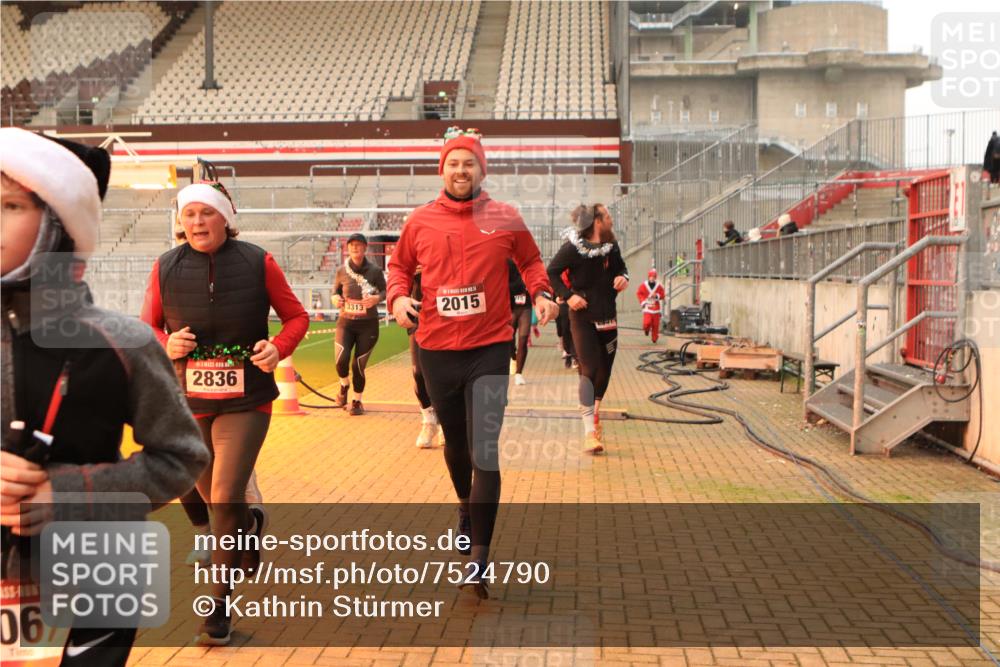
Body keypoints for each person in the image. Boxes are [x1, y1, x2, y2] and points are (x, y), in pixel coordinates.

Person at [0, 127, 208, 665]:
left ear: (59, 222)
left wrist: (67, 494)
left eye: (9, 204)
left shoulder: (125, 343)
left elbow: (181, 456)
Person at [387, 127, 557, 598]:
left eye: (469, 163)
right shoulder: (420, 221)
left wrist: (542, 293)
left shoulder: (505, 217)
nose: (461, 171)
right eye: (453, 163)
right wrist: (398, 298)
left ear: (483, 169)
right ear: (441, 169)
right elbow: (399, 268)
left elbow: (532, 262)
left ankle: (479, 557)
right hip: (437, 348)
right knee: (457, 447)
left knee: (485, 448)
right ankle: (464, 506)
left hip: (487, 347)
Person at [141, 180, 308, 645]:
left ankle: (218, 608)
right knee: (217, 503)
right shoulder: (164, 268)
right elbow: (148, 325)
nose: (197, 223)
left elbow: (297, 318)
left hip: (246, 397)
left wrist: (277, 348)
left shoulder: (258, 262)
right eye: (189, 215)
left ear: (225, 219)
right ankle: (250, 526)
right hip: (189, 400)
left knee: (226, 491)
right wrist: (165, 342)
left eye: (206, 214)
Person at [547, 204, 629, 455]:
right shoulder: (574, 247)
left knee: (604, 372)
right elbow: (551, 271)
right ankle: (589, 433)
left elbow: (621, 268)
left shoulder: (611, 246)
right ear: (596, 221)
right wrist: (568, 296)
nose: (611, 219)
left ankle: (595, 415)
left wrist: (624, 278)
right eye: (607, 216)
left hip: (608, 317)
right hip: (582, 317)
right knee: (589, 369)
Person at [331, 232, 386, 415]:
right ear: (348, 248)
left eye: (359, 244)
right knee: (341, 361)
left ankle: (356, 401)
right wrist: (335, 299)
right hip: (345, 323)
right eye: (351, 245)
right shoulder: (341, 271)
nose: (355, 247)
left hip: (368, 325)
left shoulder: (375, 271)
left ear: (365, 248)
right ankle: (343, 386)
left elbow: (386, 291)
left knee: (358, 366)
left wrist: (377, 298)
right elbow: (335, 292)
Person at [409, 267, 445, 448]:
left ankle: (446, 422)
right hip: (418, 319)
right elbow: (398, 274)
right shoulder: (414, 245)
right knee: (418, 372)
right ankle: (429, 421)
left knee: (443, 374)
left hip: (446, 319)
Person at [508, 259, 531, 385]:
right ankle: (513, 356)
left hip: (525, 307)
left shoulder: (528, 264)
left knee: (523, 339)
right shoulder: (508, 262)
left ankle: (519, 373)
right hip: (510, 307)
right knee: (509, 339)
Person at [636, 268, 666, 343]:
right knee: (647, 323)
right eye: (651, 276)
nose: (652, 278)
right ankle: (646, 330)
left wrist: (657, 296)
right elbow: (639, 293)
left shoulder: (659, 286)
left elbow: (663, 295)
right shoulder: (644, 285)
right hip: (647, 308)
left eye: (653, 276)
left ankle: (654, 338)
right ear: (648, 277)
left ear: (655, 277)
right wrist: (643, 302)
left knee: (655, 325)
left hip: (656, 309)